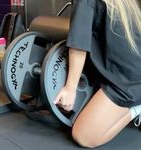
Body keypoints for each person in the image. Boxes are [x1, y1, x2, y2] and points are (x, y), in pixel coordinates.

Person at [54, 0, 141, 148]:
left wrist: (70, 89)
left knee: (84, 136)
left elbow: (78, 45)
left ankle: (136, 108)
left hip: (127, 80)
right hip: (131, 71)